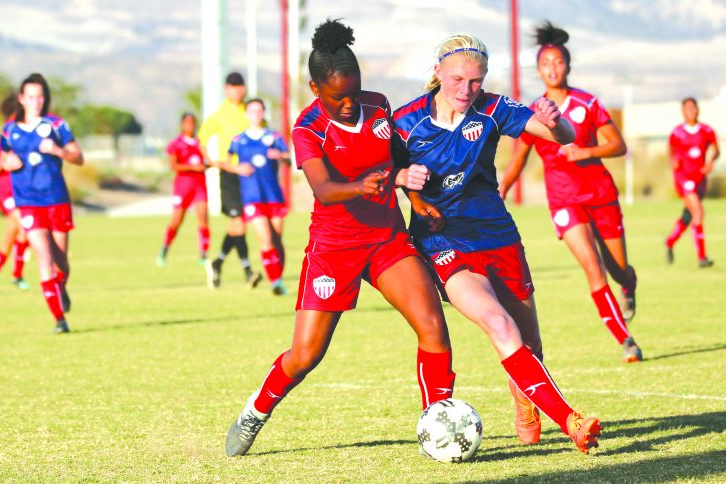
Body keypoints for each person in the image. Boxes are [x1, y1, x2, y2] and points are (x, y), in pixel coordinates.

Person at [225, 19, 456, 457]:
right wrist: (363, 185)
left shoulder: (379, 105)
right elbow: (323, 189)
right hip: (334, 249)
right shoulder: (308, 127)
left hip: (386, 241)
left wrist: (416, 198)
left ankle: (438, 426)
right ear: (316, 89)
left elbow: (400, 161)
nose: (349, 104)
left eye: (354, 92)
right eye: (337, 97)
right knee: (306, 355)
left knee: (432, 327)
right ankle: (255, 411)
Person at [393, 32, 602, 453]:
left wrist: (555, 118)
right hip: (443, 241)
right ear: (437, 73)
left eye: (475, 81)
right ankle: (572, 421)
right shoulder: (404, 123)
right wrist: (403, 180)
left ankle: (525, 400)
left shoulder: (492, 108)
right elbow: (382, 173)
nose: (465, 90)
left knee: (531, 343)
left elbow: (562, 136)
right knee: (498, 323)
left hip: (498, 235)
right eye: (455, 79)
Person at [499, 21, 642, 362]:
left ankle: (628, 284)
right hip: (564, 201)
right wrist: (501, 188)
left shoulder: (587, 103)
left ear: (567, 66)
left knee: (618, 269)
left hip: (602, 195)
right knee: (592, 268)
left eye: (558, 62)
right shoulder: (534, 112)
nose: (552, 68)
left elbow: (618, 145)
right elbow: (519, 158)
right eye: (545, 64)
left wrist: (585, 152)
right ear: (538, 70)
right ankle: (626, 340)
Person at [0, 73, 84, 333]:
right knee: (43, 259)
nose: (37, 101)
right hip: (28, 202)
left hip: (56, 199)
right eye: (31, 96)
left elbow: (79, 157)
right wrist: (6, 162)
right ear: (22, 99)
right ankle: (60, 320)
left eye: (41, 96)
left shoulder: (57, 125)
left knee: (61, 263)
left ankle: (61, 287)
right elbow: (1, 157)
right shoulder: (10, 130)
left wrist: (58, 151)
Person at [221, 98, 291, 295]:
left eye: (259, 110)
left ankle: (278, 278)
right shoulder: (238, 140)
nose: (256, 114)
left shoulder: (273, 137)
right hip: (252, 196)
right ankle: (275, 281)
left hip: (273, 195)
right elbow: (225, 162)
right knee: (266, 239)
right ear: (246, 114)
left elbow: (288, 159)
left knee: (277, 240)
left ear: (263, 113)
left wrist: (281, 157)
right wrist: (236, 168)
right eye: (252, 111)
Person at [198, 72, 261, 289]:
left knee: (238, 224)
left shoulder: (250, 110)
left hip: (251, 175)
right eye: (233, 86)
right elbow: (202, 139)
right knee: (238, 224)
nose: (238, 90)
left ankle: (217, 262)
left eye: (240, 86)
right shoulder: (220, 113)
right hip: (231, 175)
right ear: (227, 89)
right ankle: (248, 271)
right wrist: (214, 162)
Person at [0, 92, 31, 295]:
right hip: (5, 188)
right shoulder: (10, 129)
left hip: (22, 188)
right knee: (22, 223)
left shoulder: (30, 127)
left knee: (17, 232)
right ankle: (13, 274)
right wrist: (4, 163)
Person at [665, 97, 719, 267]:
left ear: (697, 110)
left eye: (692, 108)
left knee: (689, 216)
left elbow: (716, 149)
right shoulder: (677, 132)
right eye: (686, 108)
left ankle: (670, 241)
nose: (690, 111)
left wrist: (710, 161)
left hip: (700, 178)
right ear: (683, 111)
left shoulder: (706, 130)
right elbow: (671, 151)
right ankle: (702, 257)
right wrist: (673, 161)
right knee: (698, 212)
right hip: (683, 178)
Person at [156, 112, 210, 267]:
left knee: (203, 216)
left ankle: (204, 254)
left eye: (193, 123)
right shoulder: (176, 144)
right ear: (182, 125)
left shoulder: (200, 143)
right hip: (183, 185)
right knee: (177, 220)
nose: (190, 126)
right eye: (187, 123)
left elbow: (208, 160)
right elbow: (173, 166)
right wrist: (192, 167)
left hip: (200, 184)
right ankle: (165, 248)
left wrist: (208, 165)